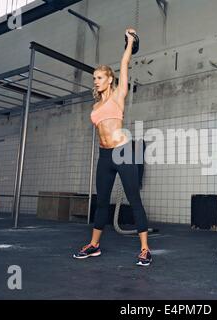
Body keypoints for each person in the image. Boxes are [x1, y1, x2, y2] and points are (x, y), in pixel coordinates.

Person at [73, 28, 152, 266]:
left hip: (123, 151)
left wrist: (129, 41)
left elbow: (124, 62)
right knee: (102, 202)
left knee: (134, 199)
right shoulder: (95, 106)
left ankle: (145, 249)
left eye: (99, 77)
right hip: (104, 155)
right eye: (93, 78)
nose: (95, 81)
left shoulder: (119, 94)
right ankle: (94, 245)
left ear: (109, 79)